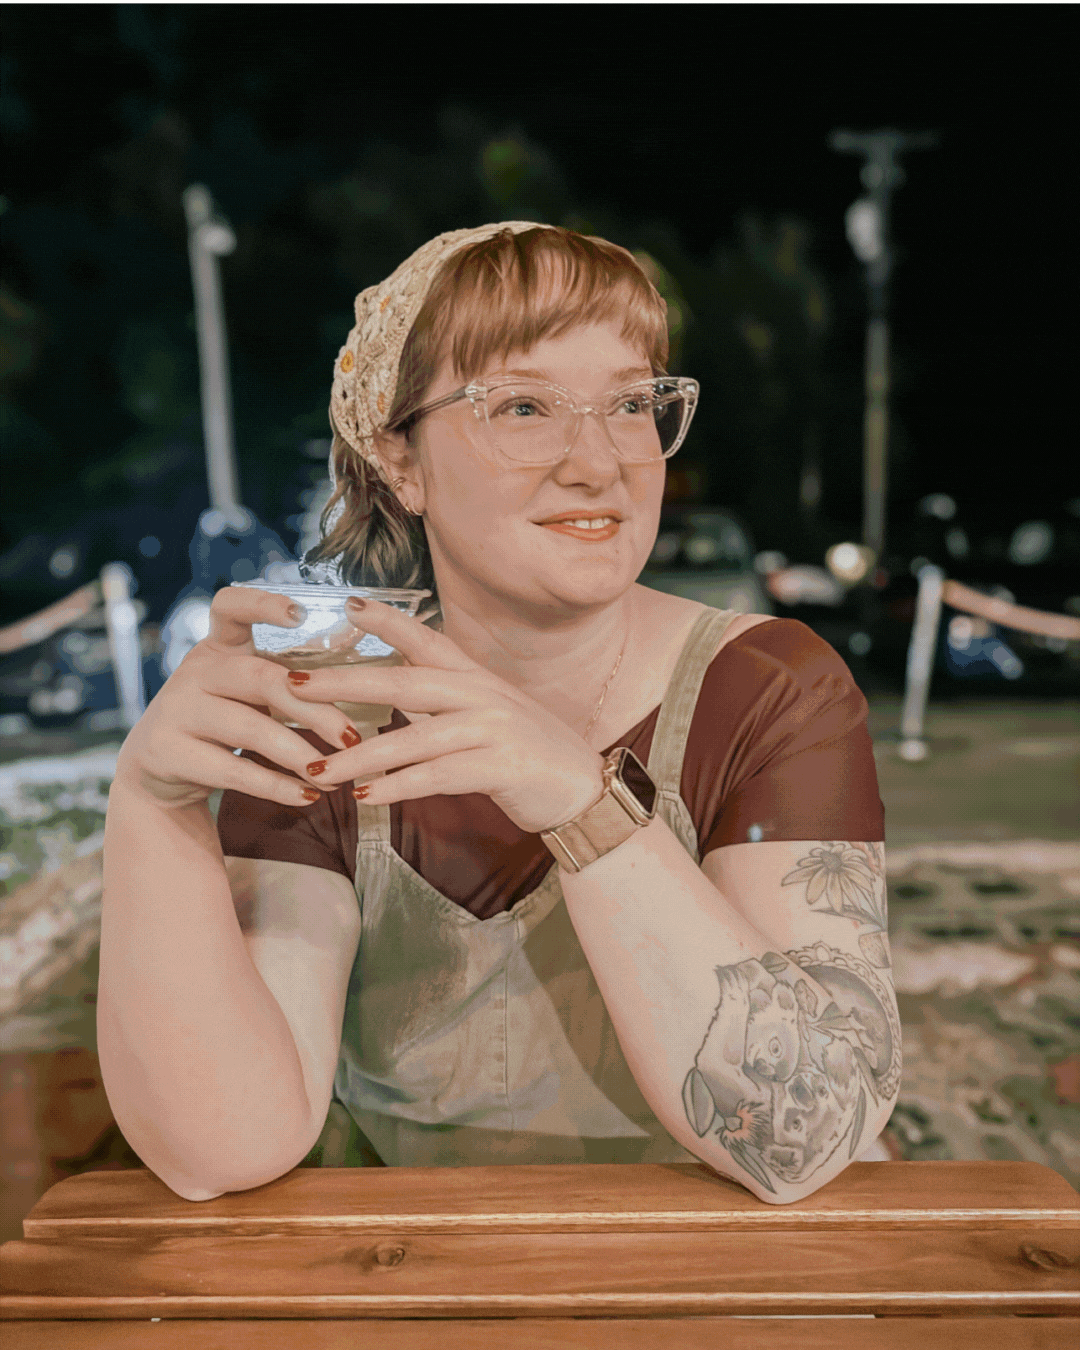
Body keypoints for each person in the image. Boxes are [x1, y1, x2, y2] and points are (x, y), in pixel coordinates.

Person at [99, 222, 898, 1205]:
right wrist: (151, 808)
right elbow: (220, 1146)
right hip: (439, 1286)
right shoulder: (321, 720)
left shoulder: (771, 687)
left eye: (631, 403)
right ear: (401, 463)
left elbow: (812, 1137)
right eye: (523, 405)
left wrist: (583, 806)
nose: (599, 463)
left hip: (740, 1290)